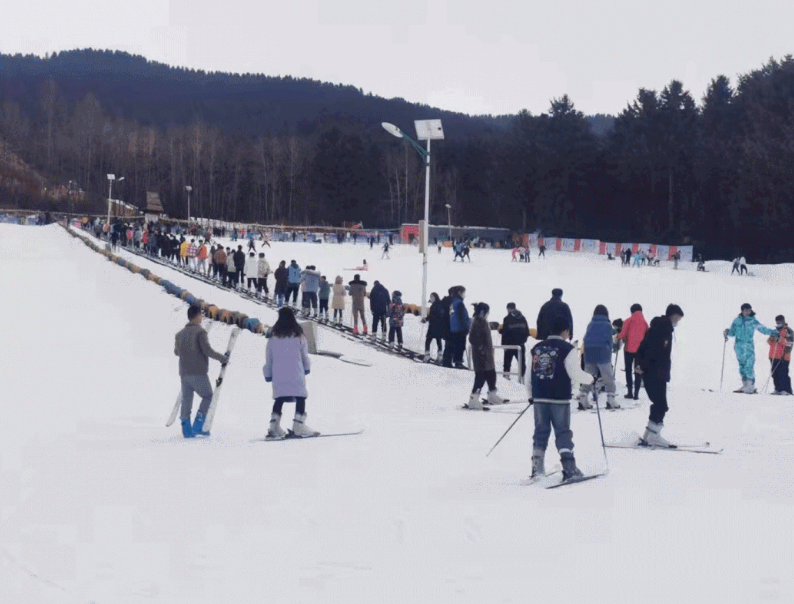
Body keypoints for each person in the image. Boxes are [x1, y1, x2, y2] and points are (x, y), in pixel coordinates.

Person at [528, 317, 593, 480]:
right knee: (562, 432)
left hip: (539, 396)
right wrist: (590, 379)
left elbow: (527, 375)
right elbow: (575, 373)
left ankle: (537, 468)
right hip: (559, 397)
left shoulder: (536, 348)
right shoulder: (568, 348)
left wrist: (531, 396)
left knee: (540, 431)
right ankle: (569, 469)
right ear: (564, 331)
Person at [173, 306, 230, 438]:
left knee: (187, 399)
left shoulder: (179, 334)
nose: (202, 317)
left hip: (184, 373)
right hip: (198, 372)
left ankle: (186, 429)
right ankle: (199, 424)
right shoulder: (200, 332)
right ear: (197, 316)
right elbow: (207, 350)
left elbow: (176, 352)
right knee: (208, 396)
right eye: (201, 315)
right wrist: (223, 358)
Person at [263, 307, 317, 439]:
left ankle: (274, 426)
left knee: (279, 398)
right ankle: (299, 425)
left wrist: (268, 374)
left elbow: (268, 358)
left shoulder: (273, 337)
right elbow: (304, 355)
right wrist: (306, 368)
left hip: (279, 374)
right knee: (300, 397)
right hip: (296, 372)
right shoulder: (299, 335)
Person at [635, 304, 684, 446]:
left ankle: (648, 435)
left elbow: (644, 347)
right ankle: (654, 436)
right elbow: (652, 351)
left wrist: (640, 365)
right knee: (661, 405)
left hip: (655, 372)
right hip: (655, 372)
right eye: (678, 319)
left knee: (659, 404)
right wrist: (643, 367)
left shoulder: (659, 327)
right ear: (673, 316)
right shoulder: (663, 330)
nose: (677, 322)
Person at [724, 303, 776, 393]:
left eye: (749, 310)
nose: (748, 312)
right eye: (746, 310)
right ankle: (745, 384)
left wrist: (774, 332)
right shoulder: (737, 321)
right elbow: (732, 332)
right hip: (739, 346)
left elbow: (763, 329)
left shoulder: (753, 321)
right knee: (742, 365)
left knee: (749, 364)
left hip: (748, 345)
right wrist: (727, 332)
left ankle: (750, 384)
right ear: (742, 311)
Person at [577, 305, 619, 410]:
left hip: (589, 353)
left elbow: (585, 338)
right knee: (608, 377)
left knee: (589, 376)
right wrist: (610, 350)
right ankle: (611, 400)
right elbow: (610, 342)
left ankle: (583, 398)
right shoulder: (607, 325)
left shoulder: (590, 324)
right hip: (603, 354)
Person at [466, 302, 506, 409]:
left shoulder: (482, 322)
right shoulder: (478, 323)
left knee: (491, 374)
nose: (488, 314)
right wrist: (482, 350)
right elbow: (472, 338)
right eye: (487, 312)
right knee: (481, 377)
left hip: (486, 355)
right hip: (481, 356)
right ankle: (473, 399)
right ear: (483, 312)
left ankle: (492, 394)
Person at [616, 303, 649, 400]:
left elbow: (622, 335)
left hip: (628, 350)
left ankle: (629, 392)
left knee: (628, 371)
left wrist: (617, 336)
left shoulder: (628, 320)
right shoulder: (645, 323)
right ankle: (636, 394)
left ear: (632, 311)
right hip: (640, 351)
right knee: (638, 371)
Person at [499, 302, 530, 380]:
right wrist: (523, 340)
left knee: (507, 363)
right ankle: (523, 379)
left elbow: (505, 333)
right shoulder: (523, 318)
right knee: (522, 363)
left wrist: (504, 345)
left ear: (508, 309)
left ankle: (506, 377)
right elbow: (527, 331)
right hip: (520, 344)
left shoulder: (507, 319)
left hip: (509, 345)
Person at [768, 315, 794, 395]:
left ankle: (786, 390)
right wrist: (772, 339)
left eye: (780, 321)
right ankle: (778, 388)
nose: (778, 323)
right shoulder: (775, 330)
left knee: (783, 373)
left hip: (783, 356)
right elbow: (769, 342)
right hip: (774, 355)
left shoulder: (788, 331)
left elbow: (789, 343)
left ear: (783, 321)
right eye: (777, 322)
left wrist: (779, 340)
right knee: (774, 373)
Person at [449, 286, 470, 369]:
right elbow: (462, 317)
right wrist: (466, 327)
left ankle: (456, 361)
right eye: (463, 292)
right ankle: (458, 362)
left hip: (453, 328)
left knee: (456, 346)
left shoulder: (453, 302)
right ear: (460, 292)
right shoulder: (460, 303)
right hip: (460, 328)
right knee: (460, 346)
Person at [423, 292, 446, 363]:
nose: (431, 298)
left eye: (432, 297)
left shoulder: (434, 306)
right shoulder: (441, 305)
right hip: (439, 326)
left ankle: (427, 355)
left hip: (433, 326)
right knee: (438, 340)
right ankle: (440, 355)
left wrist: (426, 319)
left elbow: (432, 315)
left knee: (428, 340)